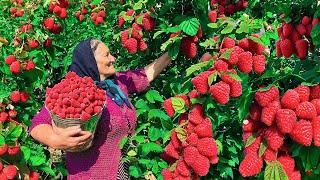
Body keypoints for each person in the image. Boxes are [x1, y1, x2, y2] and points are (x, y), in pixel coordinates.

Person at [29, 38, 172, 180]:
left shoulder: (117, 84)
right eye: (107, 55)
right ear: (90, 61)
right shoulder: (72, 89)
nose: (113, 58)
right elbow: (37, 124)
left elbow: (145, 75)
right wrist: (56, 140)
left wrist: (173, 49)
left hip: (122, 173)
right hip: (89, 176)